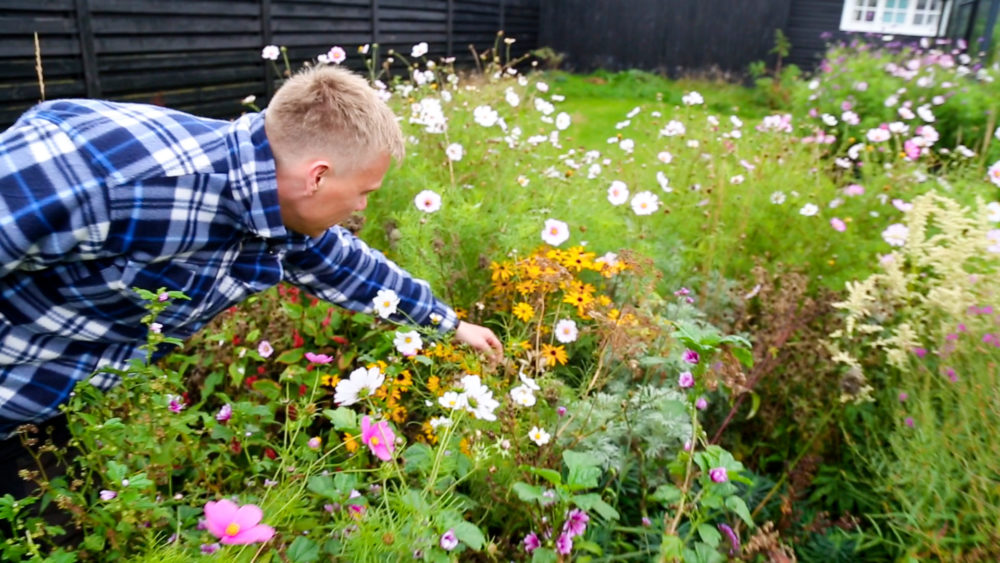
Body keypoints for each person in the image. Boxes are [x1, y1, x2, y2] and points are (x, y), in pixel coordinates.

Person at [0, 65, 503, 487]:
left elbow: (348, 266)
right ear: (319, 176)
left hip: (54, 407)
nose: (363, 206)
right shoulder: (101, 170)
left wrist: (450, 325)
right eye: (365, 191)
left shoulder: (276, 208)